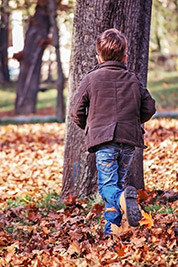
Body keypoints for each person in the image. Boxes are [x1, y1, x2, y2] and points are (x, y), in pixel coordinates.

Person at [71, 28, 156, 235]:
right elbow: (149, 107)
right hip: (127, 142)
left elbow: (76, 111)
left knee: (108, 187)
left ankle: (120, 202)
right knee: (116, 182)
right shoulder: (133, 79)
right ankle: (112, 230)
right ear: (125, 56)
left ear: (98, 57)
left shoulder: (91, 79)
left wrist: (92, 128)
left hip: (104, 142)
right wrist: (133, 122)